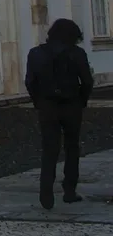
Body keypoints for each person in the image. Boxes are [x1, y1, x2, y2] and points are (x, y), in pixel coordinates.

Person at [25, 18, 94, 209]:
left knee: (49, 149)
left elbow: (30, 81)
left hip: (47, 106)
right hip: (71, 104)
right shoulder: (77, 54)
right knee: (72, 147)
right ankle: (69, 190)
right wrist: (82, 101)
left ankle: (46, 191)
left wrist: (38, 101)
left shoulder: (36, 53)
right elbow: (87, 81)